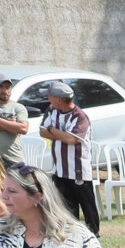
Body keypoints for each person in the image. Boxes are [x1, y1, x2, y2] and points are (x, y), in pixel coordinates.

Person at [34, 79, 101, 230]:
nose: (48, 99)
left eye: (50, 96)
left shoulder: (80, 117)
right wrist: (60, 134)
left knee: (88, 207)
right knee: (66, 208)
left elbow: (72, 139)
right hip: (59, 171)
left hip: (78, 171)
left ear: (59, 99)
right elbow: (42, 131)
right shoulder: (51, 110)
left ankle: (94, 235)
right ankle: (71, 234)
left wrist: (52, 130)